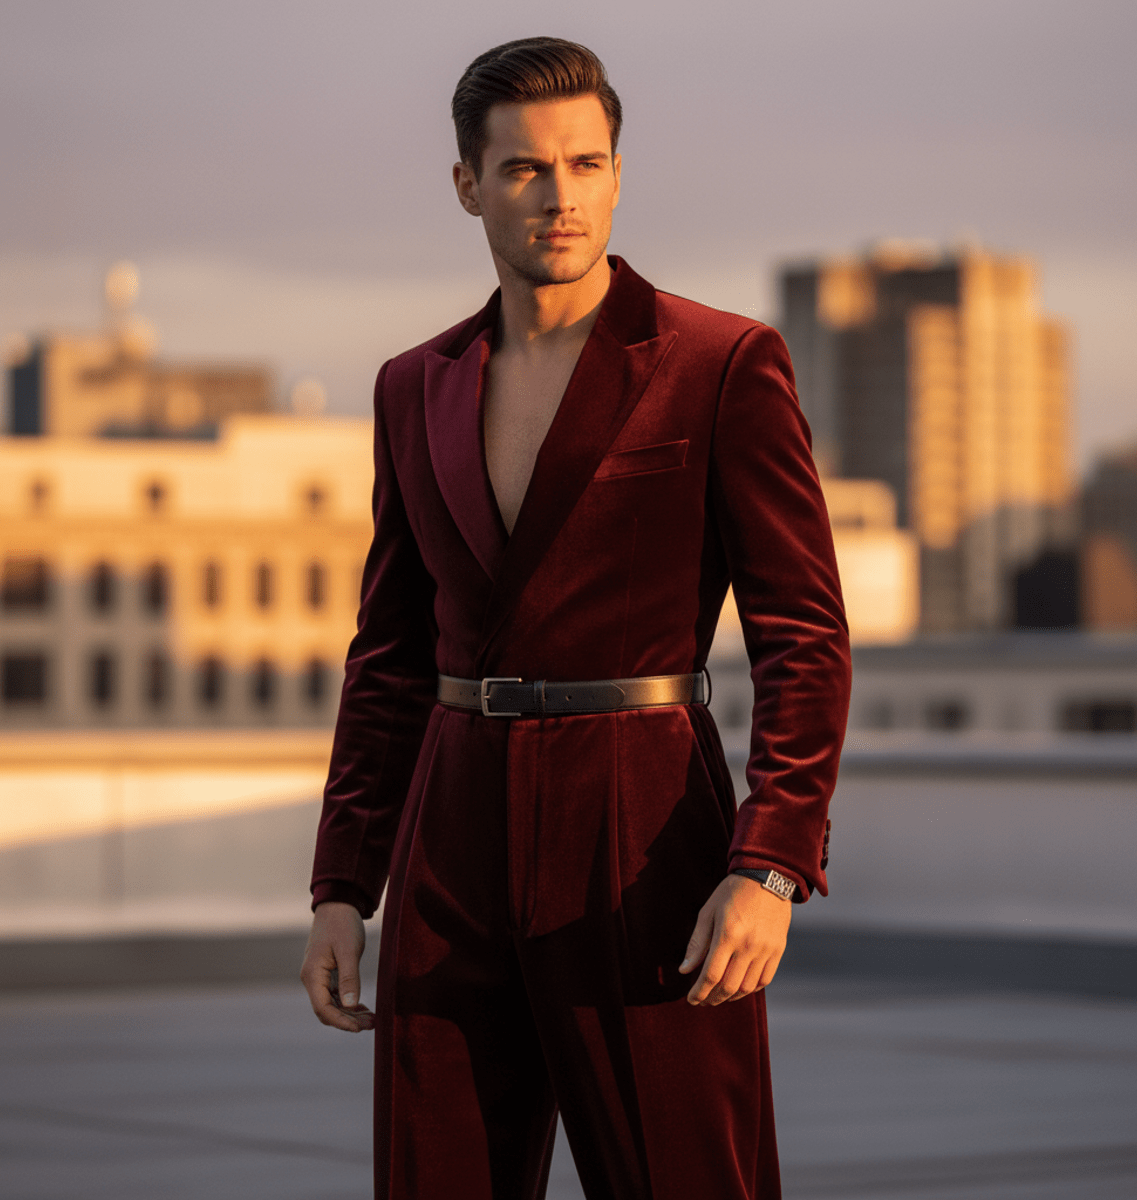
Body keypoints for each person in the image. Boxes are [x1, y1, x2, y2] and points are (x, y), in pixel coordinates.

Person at [301, 36, 850, 1200]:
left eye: (586, 163)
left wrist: (773, 863)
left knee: (685, 1176)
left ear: (615, 171)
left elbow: (803, 633)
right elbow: (390, 654)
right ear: (468, 184)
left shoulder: (718, 363)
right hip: (451, 829)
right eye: (523, 170)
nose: (559, 196)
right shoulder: (416, 384)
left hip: (641, 815)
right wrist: (344, 886)